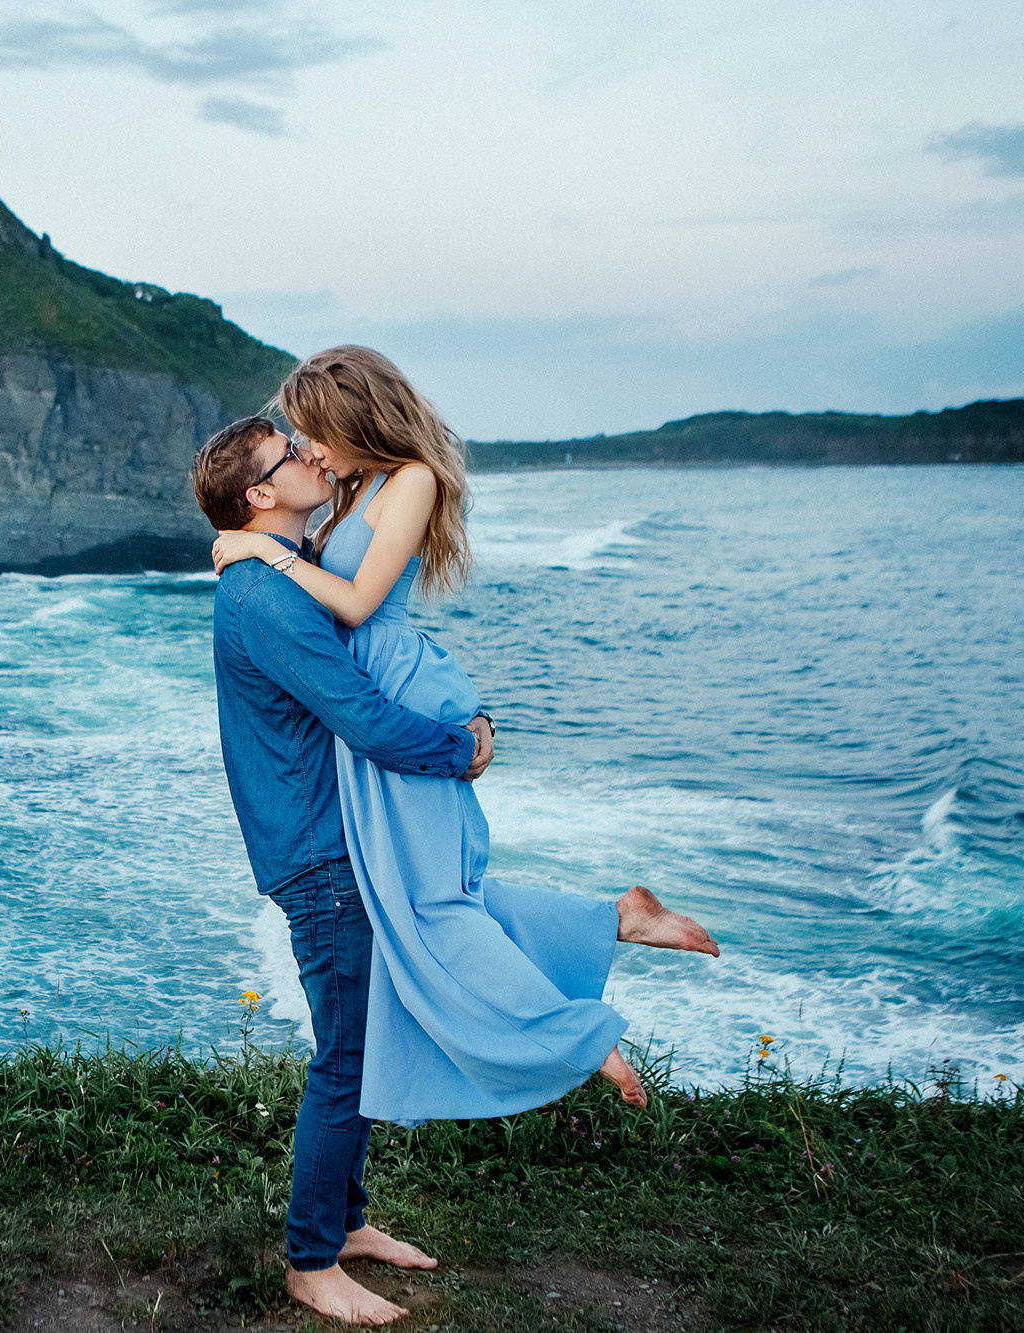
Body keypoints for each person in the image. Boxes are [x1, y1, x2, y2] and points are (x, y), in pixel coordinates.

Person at [209, 345, 718, 1130]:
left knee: (435, 903)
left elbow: (353, 602)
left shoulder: (410, 478)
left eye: (314, 432)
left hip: (396, 696)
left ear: (354, 419)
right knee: (418, 897)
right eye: (297, 440)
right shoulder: (354, 486)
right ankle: (612, 920)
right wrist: (276, 547)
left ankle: (576, 1038)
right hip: (370, 702)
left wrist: (258, 547)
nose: (309, 448)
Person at [193, 414, 491, 1327]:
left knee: (358, 1046)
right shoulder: (264, 596)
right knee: (348, 1057)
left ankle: (347, 1225)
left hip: (329, 840)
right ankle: (310, 1259)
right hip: (319, 854)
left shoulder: (277, 573)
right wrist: (463, 747)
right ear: (259, 495)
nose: (310, 455)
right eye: (292, 453)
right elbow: (359, 712)